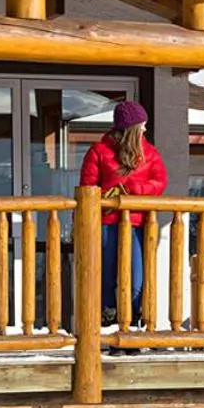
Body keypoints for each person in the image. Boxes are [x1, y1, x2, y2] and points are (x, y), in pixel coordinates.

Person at [78, 100, 168, 326]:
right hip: (105, 222)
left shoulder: (150, 153)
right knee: (105, 277)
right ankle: (107, 325)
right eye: (142, 125)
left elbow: (160, 182)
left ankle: (132, 325)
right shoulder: (99, 151)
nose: (145, 130)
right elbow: (87, 188)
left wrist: (135, 191)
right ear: (131, 128)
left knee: (135, 278)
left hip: (137, 224)